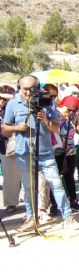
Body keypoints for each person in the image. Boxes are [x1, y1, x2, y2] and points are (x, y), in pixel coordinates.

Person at [2, 75, 79, 232]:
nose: (28, 92)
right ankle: (31, 218)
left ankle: (68, 217)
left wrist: (46, 120)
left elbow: (56, 128)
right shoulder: (13, 104)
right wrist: (17, 129)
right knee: (28, 187)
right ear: (20, 88)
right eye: (24, 89)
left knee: (56, 184)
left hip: (45, 152)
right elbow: (5, 129)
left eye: (31, 88)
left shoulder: (46, 102)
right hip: (24, 152)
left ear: (37, 88)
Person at [48, 95, 79, 214]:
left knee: (70, 177)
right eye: (68, 109)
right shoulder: (55, 115)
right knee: (55, 178)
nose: (70, 112)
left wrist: (78, 117)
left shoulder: (73, 116)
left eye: (73, 109)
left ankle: (73, 201)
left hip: (70, 150)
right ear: (62, 105)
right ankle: (53, 204)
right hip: (56, 151)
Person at [0, 86, 18, 214]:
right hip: (5, 147)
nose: (2, 101)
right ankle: (11, 203)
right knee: (10, 176)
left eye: (5, 99)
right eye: (1, 98)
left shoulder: (14, 107)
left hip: (19, 143)